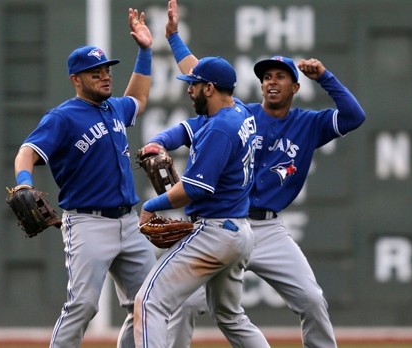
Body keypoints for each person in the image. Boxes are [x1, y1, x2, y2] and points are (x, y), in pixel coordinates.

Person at [149, 1, 367, 347]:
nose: (271, 82)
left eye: (280, 76)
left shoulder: (309, 124)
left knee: (311, 299)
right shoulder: (243, 115)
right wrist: (174, 40)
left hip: (267, 229)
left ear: (295, 87)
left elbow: (355, 117)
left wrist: (325, 77)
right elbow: (204, 79)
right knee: (186, 305)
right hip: (222, 223)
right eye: (266, 77)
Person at [12, 8, 157, 348]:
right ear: (76, 79)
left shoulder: (114, 108)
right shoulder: (62, 117)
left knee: (152, 303)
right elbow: (27, 152)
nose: (105, 76)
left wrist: (146, 52)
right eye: (95, 72)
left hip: (129, 222)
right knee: (83, 305)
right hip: (89, 223)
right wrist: (23, 183)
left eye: (106, 70)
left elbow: (138, 98)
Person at [132, 55, 270, 348]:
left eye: (193, 85)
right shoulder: (241, 111)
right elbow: (188, 128)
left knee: (148, 302)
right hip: (239, 232)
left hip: (215, 232)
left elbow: (195, 189)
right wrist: (160, 141)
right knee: (231, 317)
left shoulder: (220, 130)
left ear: (209, 88)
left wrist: (150, 206)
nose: (188, 89)